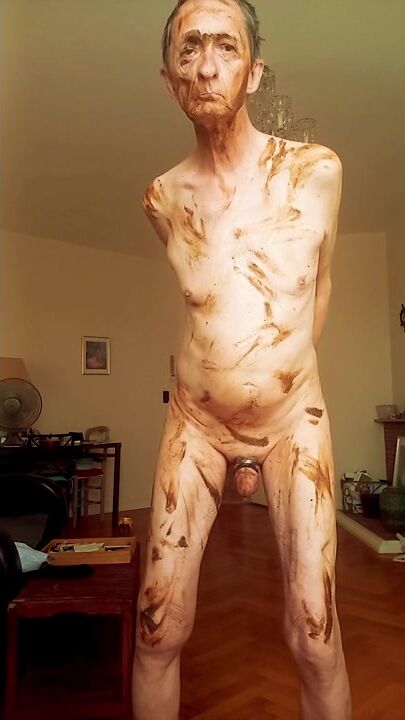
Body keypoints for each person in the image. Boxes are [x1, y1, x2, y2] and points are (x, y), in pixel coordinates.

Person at [132, 1, 351, 718]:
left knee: (316, 635)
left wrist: (278, 388)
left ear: (253, 72)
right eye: (189, 48)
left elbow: (319, 287)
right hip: (194, 425)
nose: (206, 66)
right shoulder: (162, 198)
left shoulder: (317, 172)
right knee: (157, 628)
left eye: (225, 47)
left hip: (293, 425)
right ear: (169, 77)